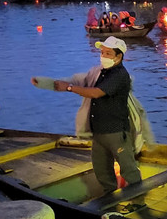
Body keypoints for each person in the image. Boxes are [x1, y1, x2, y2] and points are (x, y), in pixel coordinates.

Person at [30, 36, 152, 194]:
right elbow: (78, 81)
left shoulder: (120, 75)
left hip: (116, 131)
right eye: (102, 52)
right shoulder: (99, 72)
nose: (103, 56)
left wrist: (69, 88)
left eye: (108, 53)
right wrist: (46, 83)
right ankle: (110, 197)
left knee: (128, 168)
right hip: (99, 132)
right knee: (102, 169)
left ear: (119, 56)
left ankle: (139, 198)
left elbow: (96, 93)